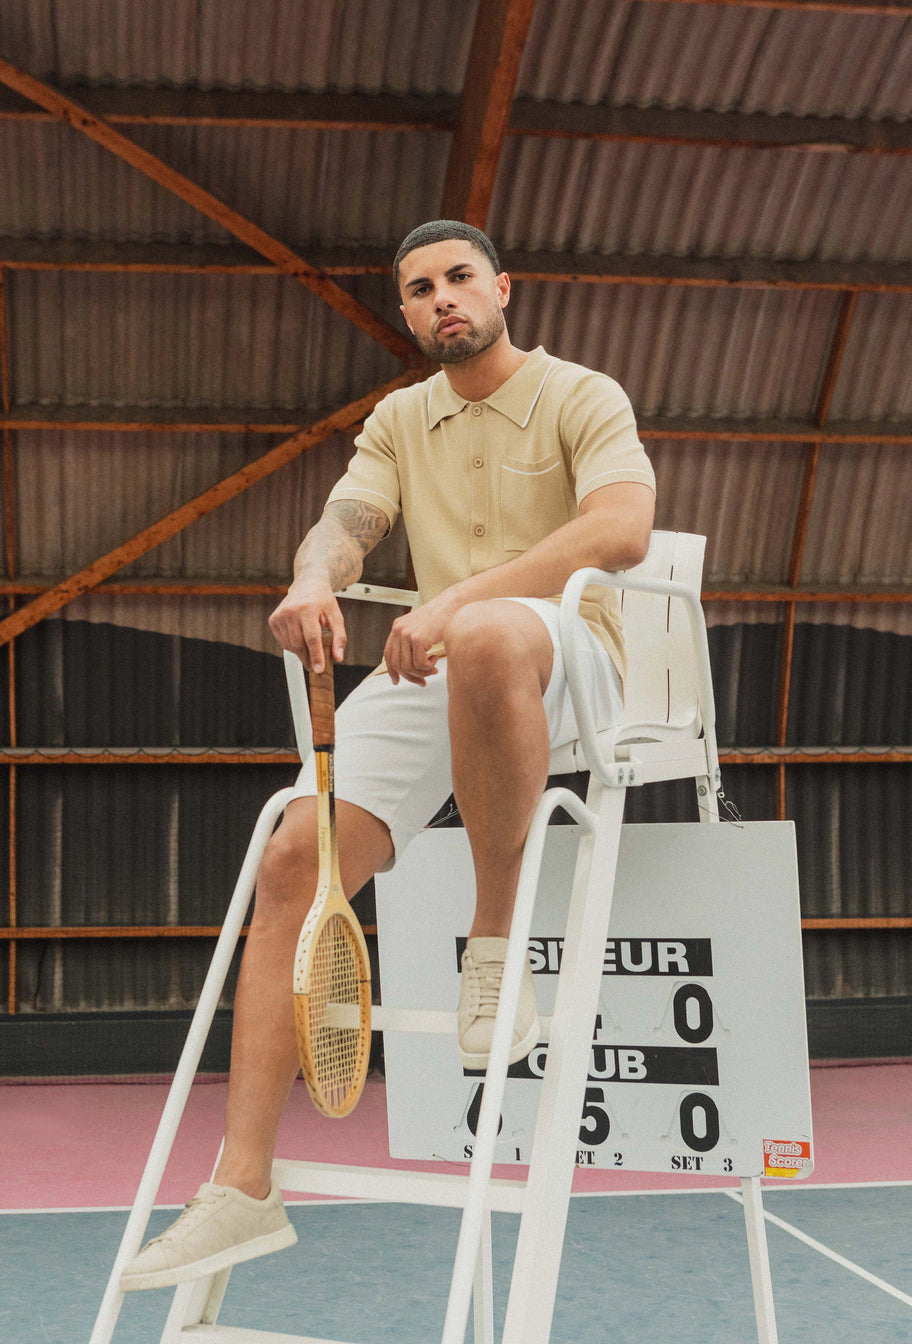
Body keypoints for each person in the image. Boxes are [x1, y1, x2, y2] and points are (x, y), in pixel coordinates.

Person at [120, 220, 656, 1291]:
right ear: (407, 314)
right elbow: (345, 521)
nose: (443, 297)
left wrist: (457, 597)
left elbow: (624, 531)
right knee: (291, 853)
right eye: (420, 288)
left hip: (572, 654)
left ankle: (494, 946)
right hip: (448, 662)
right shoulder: (401, 419)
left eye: (460, 277)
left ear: (502, 287)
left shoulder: (580, 393)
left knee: (494, 629)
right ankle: (243, 1187)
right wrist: (315, 576)